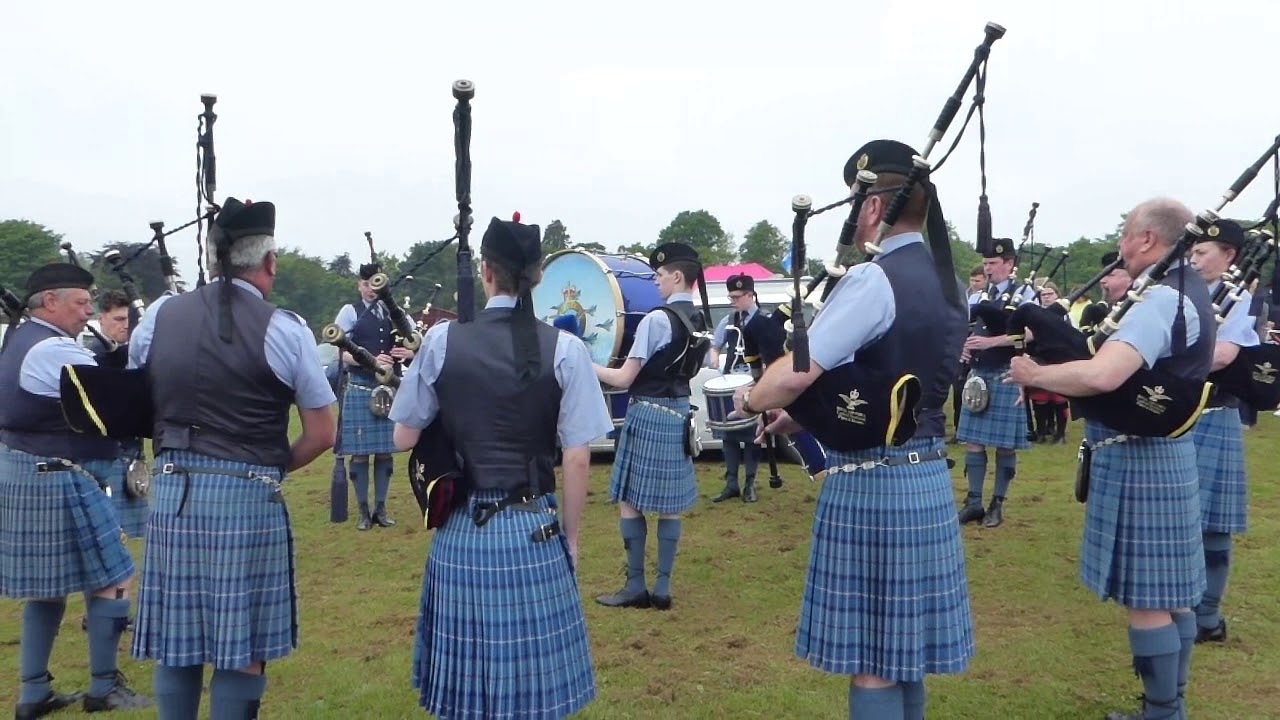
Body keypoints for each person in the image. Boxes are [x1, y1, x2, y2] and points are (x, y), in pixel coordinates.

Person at [733, 140, 973, 719]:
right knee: (902, 652)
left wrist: (753, 396)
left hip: (873, 482)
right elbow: (886, 382)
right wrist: (807, 415)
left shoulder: (872, 280)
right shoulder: (952, 283)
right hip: (926, 474)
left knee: (872, 657)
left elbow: (795, 371)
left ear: (871, 207)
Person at [389, 216, 611, 719]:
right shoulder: (568, 349)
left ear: (485, 272)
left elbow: (403, 436)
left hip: (462, 533)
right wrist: (571, 542)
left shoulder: (444, 342)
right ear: (535, 276)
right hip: (533, 529)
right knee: (533, 698)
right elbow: (577, 458)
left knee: (469, 697)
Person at [129, 197, 337, 718]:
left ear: (212, 257)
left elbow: (135, 389)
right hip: (248, 496)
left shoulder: (159, 317)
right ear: (269, 262)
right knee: (242, 647)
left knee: (177, 643)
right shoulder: (285, 329)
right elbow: (322, 432)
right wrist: (270, 468)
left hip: (173, 490)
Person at [1008, 198, 1211, 720]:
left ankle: (1162, 712)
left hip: (1141, 458)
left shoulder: (1163, 300)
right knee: (1173, 594)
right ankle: (1169, 704)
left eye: (1125, 234)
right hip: (1168, 453)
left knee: (1147, 599)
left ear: (1147, 239)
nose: (1121, 246)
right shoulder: (1194, 292)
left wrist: (1035, 376)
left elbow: (1102, 375)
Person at [0, 263, 152, 718]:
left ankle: (33, 694)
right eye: (81, 303)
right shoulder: (50, 349)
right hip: (55, 471)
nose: (88, 312)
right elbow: (114, 394)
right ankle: (103, 687)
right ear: (50, 301)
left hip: (27, 469)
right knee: (114, 576)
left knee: (46, 590)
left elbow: (99, 370)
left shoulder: (21, 339)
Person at [594, 242, 710, 610]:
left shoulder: (656, 320)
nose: (655, 281)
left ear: (677, 276)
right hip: (679, 413)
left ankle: (635, 586)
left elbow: (625, 378)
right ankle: (662, 589)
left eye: (659, 275)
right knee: (671, 506)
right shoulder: (701, 320)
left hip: (648, 413)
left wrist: (584, 361)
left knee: (630, 502)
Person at [1187, 219, 1258, 644]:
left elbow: (1223, 354)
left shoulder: (1240, 299)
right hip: (1176, 415)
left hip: (1213, 414)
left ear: (1229, 255)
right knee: (1179, 516)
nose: (1194, 259)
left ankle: (1209, 616)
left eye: (1203, 252)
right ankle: (1180, 599)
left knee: (1213, 523)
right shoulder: (1181, 294)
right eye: (1192, 252)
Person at [957, 240, 1037, 528]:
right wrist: (963, 347)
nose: (987, 269)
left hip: (1008, 371)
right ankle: (974, 502)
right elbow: (964, 327)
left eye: (992, 263)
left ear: (1009, 264)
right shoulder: (979, 295)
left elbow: (1030, 333)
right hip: (979, 372)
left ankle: (997, 504)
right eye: (986, 264)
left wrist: (991, 341)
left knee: (1004, 446)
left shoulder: (1026, 294)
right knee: (974, 441)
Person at [332, 263, 414, 530]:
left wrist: (409, 353)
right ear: (359, 285)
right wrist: (365, 362)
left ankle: (381, 509)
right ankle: (363, 513)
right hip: (359, 386)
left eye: (373, 284)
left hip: (389, 389)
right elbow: (338, 352)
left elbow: (416, 341)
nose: (369, 289)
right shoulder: (349, 312)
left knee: (384, 452)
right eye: (365, 284)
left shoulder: (396, 312)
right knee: (359, 454)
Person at [707, 274, 763, 503]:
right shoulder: (728, 320)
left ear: (750, 294)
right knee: (728, 437)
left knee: (752, 437)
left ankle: (750, 484)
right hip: (731, 382)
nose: (733, 301)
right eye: (730, 296)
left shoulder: (763, 320)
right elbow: (715, 344)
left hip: (753, 383)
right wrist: (713, 358)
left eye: (737, 297)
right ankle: (731, 484)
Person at [951, 266, 988, 441]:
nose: (974, 284)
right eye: (972, 280)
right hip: (962, 344)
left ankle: (971, 430)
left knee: (975, 388)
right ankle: (959, 429)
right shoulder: (966, 295)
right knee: (959, 388)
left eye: (978, 281)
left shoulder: (986, 298)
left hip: (978, 345)